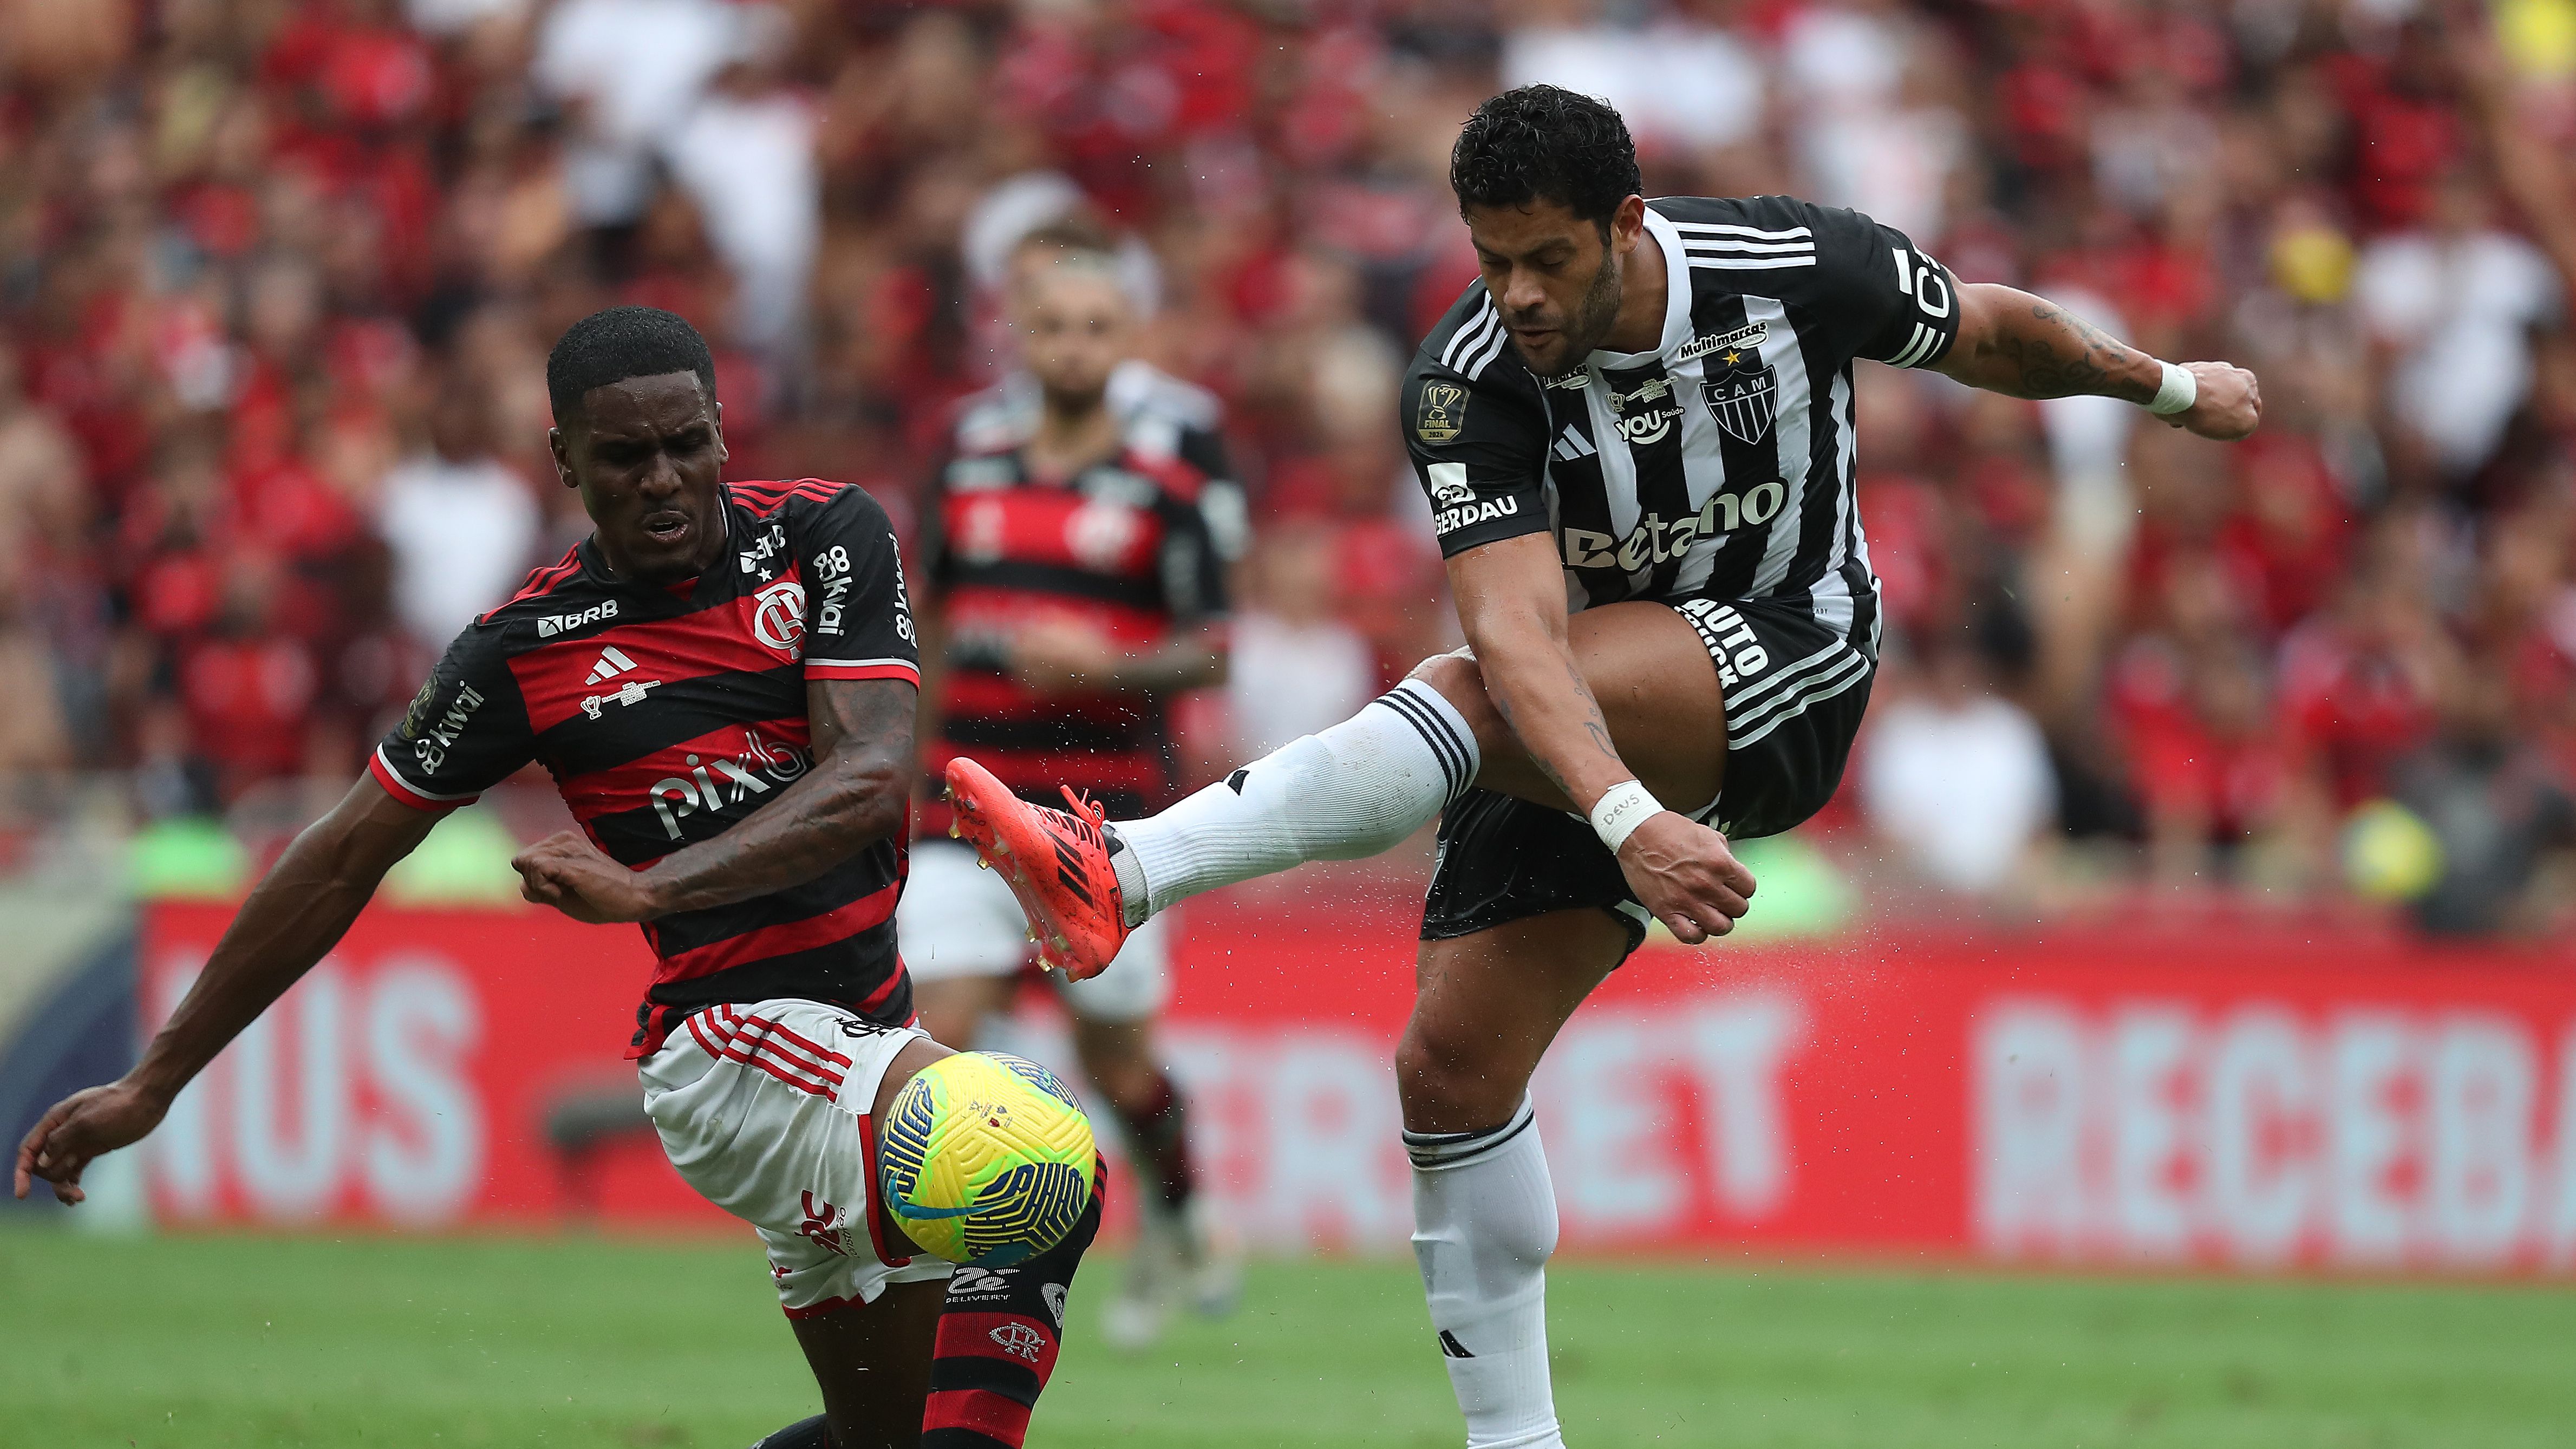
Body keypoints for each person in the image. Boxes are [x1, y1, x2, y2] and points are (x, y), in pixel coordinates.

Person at [943, 87, 2261, 1449]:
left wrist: (2165, 386)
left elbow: (1989, 329)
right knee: (1449, 1071)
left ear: (1625, 225)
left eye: (1546, 259)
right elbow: (1514, 628)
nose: (1513, 292)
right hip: (1591, 711)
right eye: (1489, 257)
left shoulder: (1794, 267)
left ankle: (1132, 866)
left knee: (1468, 699)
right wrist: (1624, 814)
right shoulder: (1469, 376)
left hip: (1791, 656)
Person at [15, 306, 1101, 1449]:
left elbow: (873, 778)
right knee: (1033, 1161)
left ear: (724, 433)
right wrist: (155, 1082)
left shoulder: (827, 537)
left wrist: (657, 886)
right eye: (625, 457)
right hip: (731, 1050)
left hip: (870, 1030)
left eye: (687, 442)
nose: (664, 479)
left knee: (885, 1439)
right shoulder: (526, 650)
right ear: (565, 461)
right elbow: (340, 858)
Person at [903, 239, 1238, 1347]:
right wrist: (904, 749)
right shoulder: (962, 452)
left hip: (1103, 820)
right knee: (936, 1035)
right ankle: (954, 1283)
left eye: (1098, 327)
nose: (1075, 347)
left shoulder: (1171, 477)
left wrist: (1103, 665)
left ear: (1128, 339)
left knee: (1119, 1060)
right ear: (1021, 332)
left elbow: (1212, 651)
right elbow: (934, 611)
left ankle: (1182, 1221)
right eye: (1055, 326)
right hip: (963, 806)